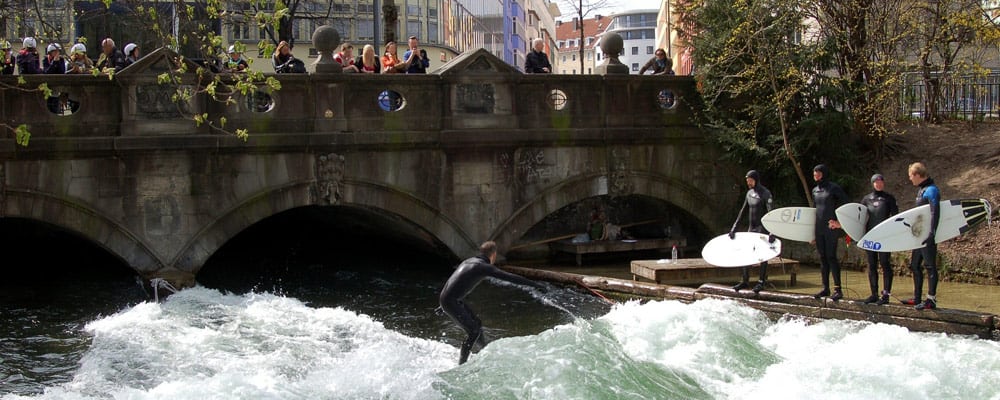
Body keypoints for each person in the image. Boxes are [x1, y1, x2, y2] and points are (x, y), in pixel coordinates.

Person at [439, 241, 545, 364]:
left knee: (477, 324)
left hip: (448, 299)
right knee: (473, 331)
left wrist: (443, 302)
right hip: (451, 301)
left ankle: (483, 352)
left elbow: (456, 281)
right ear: (493, 254)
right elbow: (510, 277)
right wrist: (535, 285)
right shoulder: (483, 267)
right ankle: (461, 364)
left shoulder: (469, 261)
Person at [730, 170, 775, 293]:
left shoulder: (765, 193)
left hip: (762, 229)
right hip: (751, 228)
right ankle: (745, 281)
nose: (748, 183)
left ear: (755, 179)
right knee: (745, 253)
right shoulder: (749, 193)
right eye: (747, 181)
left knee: (763, 255)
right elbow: (742, 212)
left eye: (750, 180)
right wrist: (734, 228)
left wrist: (772, 231)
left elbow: (771, 213)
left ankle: (761, 282)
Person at [857, 174, 898, 305]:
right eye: (876, 182)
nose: (879, 184)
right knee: (872, 265)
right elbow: (859, 219)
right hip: (870, 236)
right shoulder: (866, 199)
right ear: (872, 183)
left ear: (883, 183)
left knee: (885, 264)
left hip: (884, 236)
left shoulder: (889, 198)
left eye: (881, 181)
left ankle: (885, 295)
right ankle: (874, 294)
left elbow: (896, 218)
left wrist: (893, 234)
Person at [905, 162, 941, 310]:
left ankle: (931, 300)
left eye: (910, 176)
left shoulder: (931, 190)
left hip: (928, 235)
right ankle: (918, 298)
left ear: (917, 175)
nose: (910, 179)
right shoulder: (922, 189)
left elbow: (935, 212)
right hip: (919, 236)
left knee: (930, 266)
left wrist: (932, 233)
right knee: (914, 265)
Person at [811, 164, 849, 301]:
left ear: (824, 174)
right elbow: (813, 212)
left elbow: (846, 204)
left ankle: (838, 289)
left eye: (818, 173)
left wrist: (839, 222)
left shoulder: (834, 188)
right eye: (814, 173)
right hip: (819, 229)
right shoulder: (815, 190)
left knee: (831, 257)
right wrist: (811, 234)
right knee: (822, 258)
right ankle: (825, 288)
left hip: (831, 229)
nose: (816, 175)